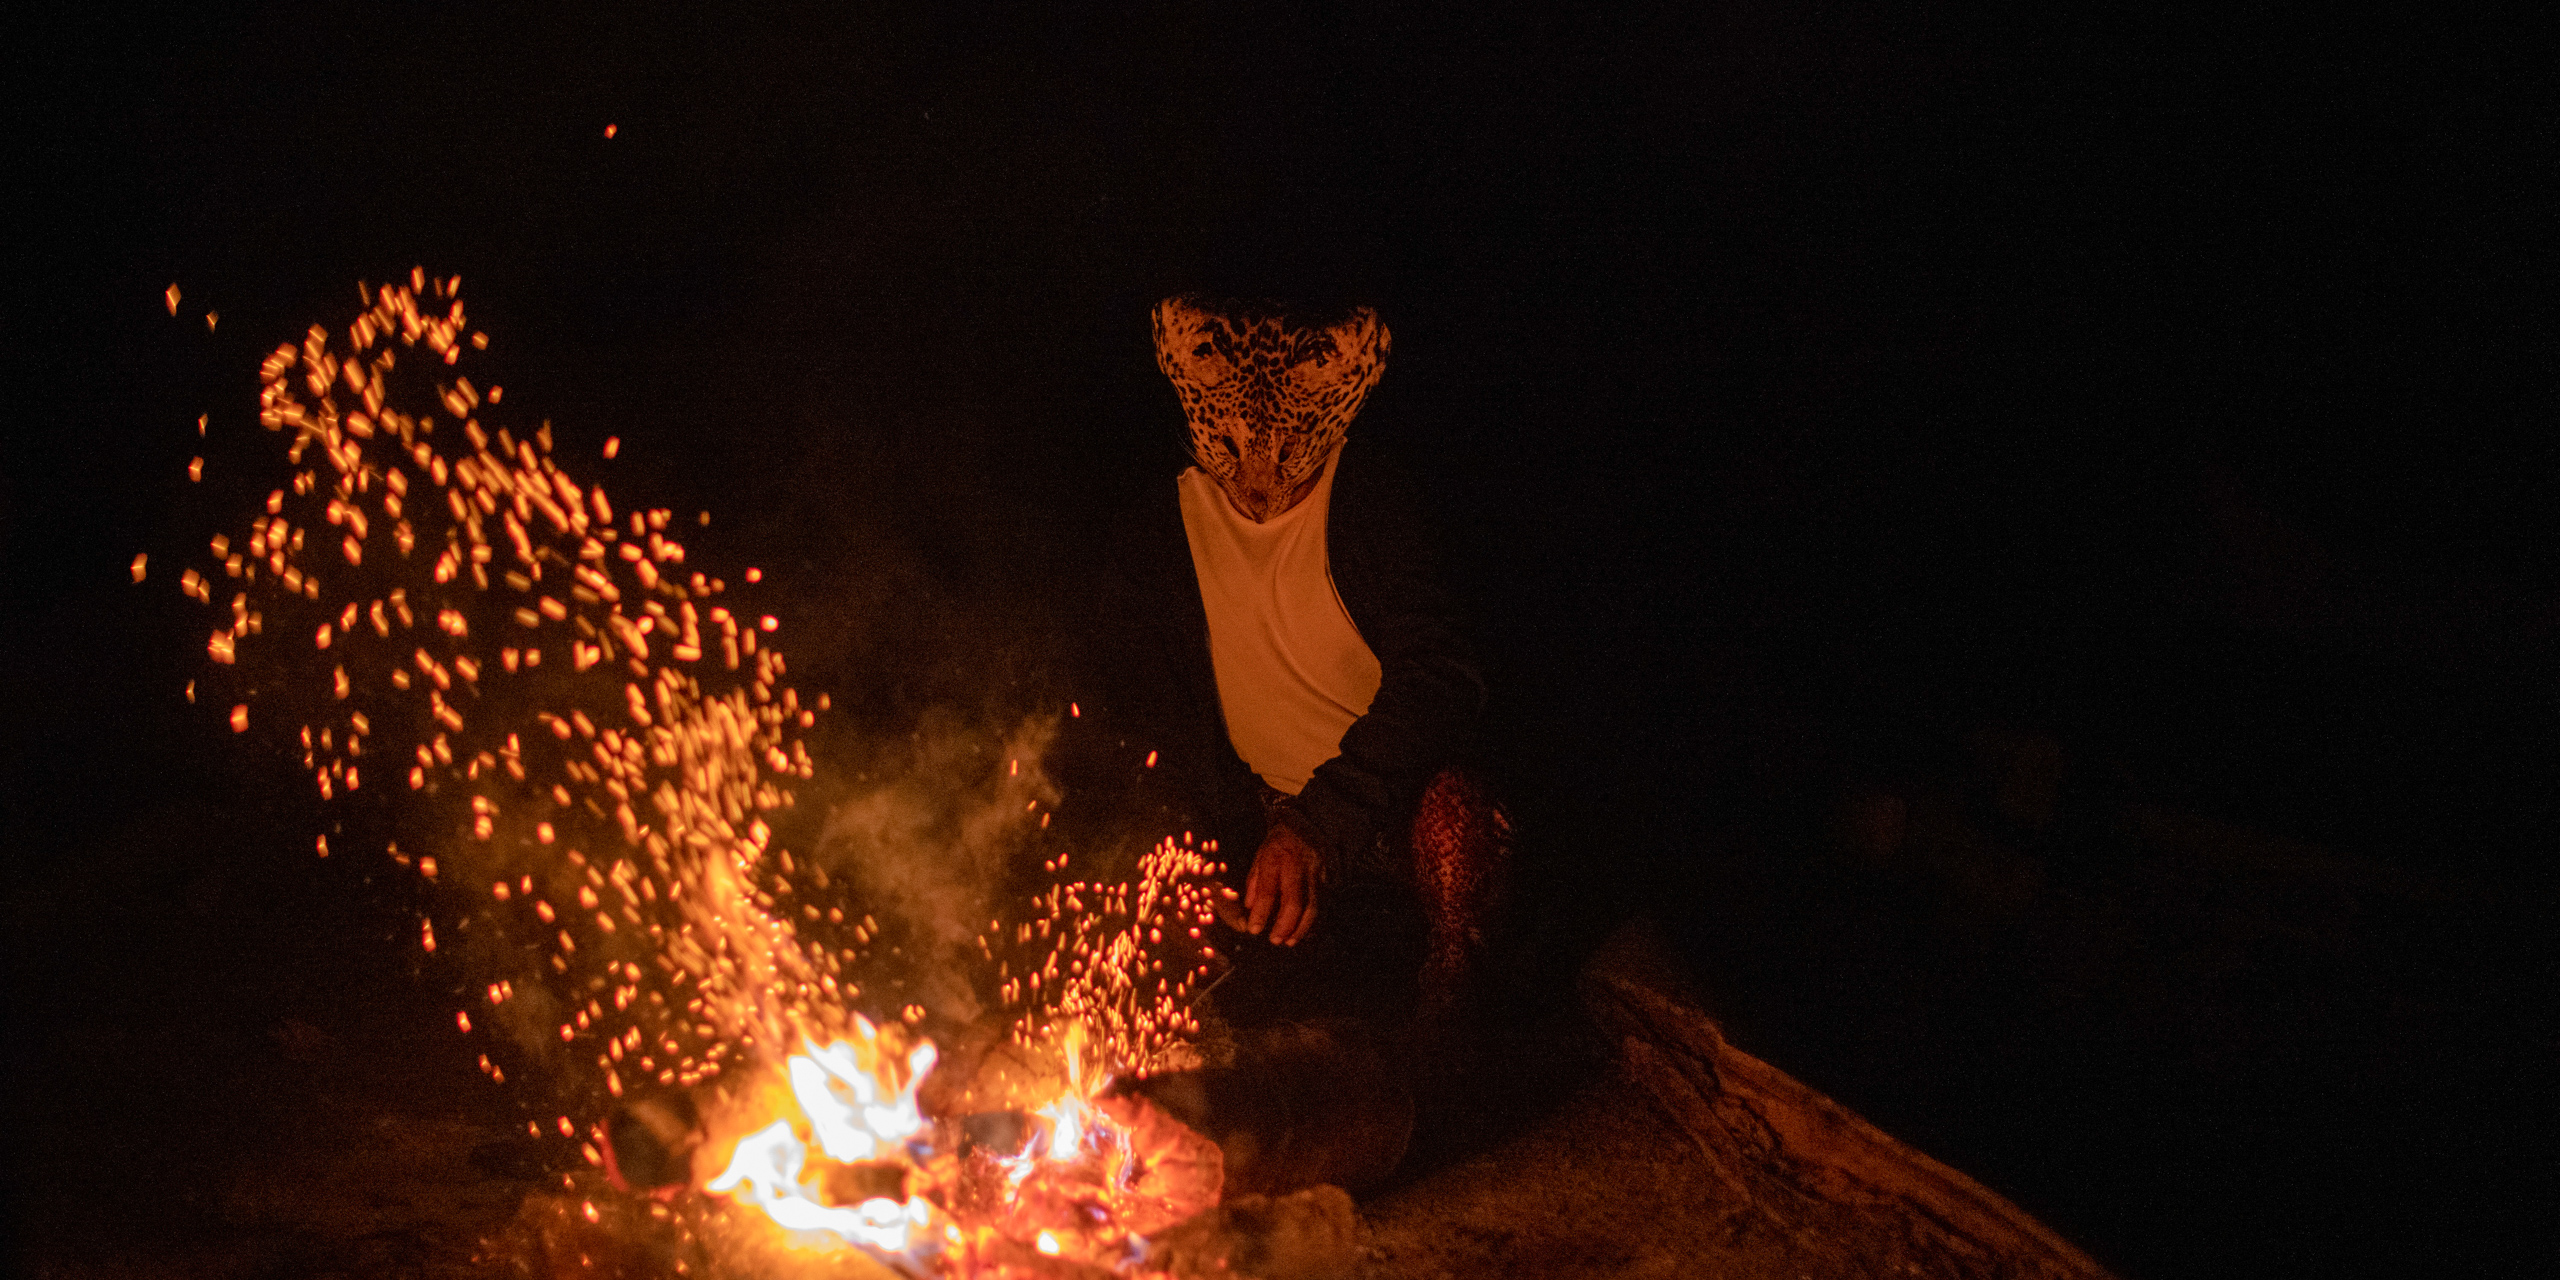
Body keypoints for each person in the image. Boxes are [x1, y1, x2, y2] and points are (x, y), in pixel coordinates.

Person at [1074, 293, 1511, 1192]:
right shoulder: (1158, 530)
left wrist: (1322, 824)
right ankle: (1179, 1096)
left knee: (1462, 820)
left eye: (1288, 449)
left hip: (1383, 806)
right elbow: (1145, 718)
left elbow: (1444, 680)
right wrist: (1218, 847)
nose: (1263, 479)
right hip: (1266, 816)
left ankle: (1449, 1060)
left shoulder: (1372, 502)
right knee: (1141, 884)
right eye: (1232, 445)